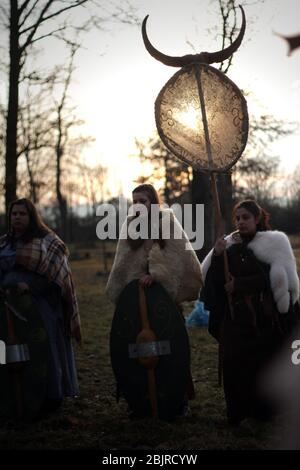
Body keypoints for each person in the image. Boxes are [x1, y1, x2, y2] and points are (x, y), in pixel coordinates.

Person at [106, 184, 202, 417]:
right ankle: (139, 401)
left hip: (164, 302)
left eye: (143, 201)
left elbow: (178, 257)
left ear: (153, 203)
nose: (138, 206)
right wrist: (135, 283)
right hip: (138, 303)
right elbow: (124, 264)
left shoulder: (168, 223)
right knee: (137, 348)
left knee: (172, 351)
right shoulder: (130, 227)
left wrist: (158, 276)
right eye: (135, 201)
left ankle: (177, 401)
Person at [201, 199, 300, 426]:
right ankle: (237, 413)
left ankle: (263, 413)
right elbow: (214, 282)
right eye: (237, 218)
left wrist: (240, 285)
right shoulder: (229, 246)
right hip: (235, 319)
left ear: (257, 219)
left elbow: (272, 278)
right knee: (234, 365)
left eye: (246, 218)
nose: (241, 222)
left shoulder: (274, 243)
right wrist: (217, 256)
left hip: (264, 318)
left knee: (262, 365)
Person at [0, 198, 80, 419]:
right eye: (14, 213)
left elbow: (57, 281)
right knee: (7, 346)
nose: (17, 217)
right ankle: (13, 393)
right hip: (9, 306)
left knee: (44, 348)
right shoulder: (4, 243)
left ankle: (50, 396)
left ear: (31, 216)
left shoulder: (48, 241)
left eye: (22, 214)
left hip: (40, 305)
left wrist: (31, 286)